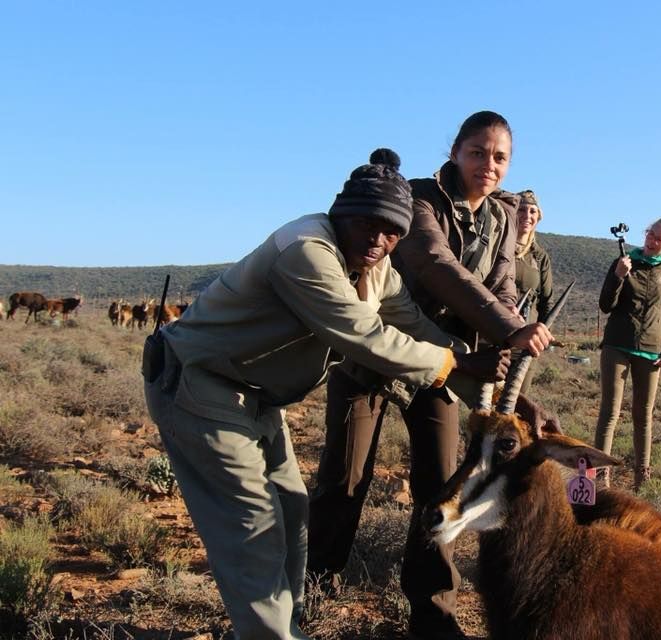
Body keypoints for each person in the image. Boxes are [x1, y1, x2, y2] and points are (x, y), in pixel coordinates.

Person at [143, 149, 510, 640]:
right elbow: (364, 335)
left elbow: (413, 324)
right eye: (367, 224)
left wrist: (482, 386)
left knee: (293, 516)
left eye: (392, 232)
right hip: (200, 388)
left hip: (253, 397)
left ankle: (275, 628)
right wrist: (460, 362)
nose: (379, 240)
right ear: (342, 214)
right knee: (254, 531)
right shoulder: (306, 250)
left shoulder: (375, 266)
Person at [307, 111, 552, 640]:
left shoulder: (505, 217)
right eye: (478, 152)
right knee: (344, 478)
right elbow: (436, 265)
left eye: (500, 157)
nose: (489, 165)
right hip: (380, 349)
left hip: (447, 364)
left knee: (438, 485)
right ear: (456, 149)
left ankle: (433, 615)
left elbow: (504, 284)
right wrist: (511, 327)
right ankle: (313, 593)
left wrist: (509, 343)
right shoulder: (418, 198)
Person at [594, 217, 661, 489]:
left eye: (659, 238)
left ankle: (642, 480)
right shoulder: (623, 262)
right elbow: (605, 305)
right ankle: (599, 476)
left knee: (643, 415)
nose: (651, 240)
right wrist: (618, 276)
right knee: (610, 412)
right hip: (616, 345)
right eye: (650, 233)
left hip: (651, 351)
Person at [513, 189, 554, 393]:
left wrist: (542, 336)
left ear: (538, 217)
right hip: (494, 333)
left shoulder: (540, 257)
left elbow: (546, 300)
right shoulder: (498, 245)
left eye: (532, 212)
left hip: (527, 340)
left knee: (517, 400)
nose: (526, 216)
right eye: (521, 210)